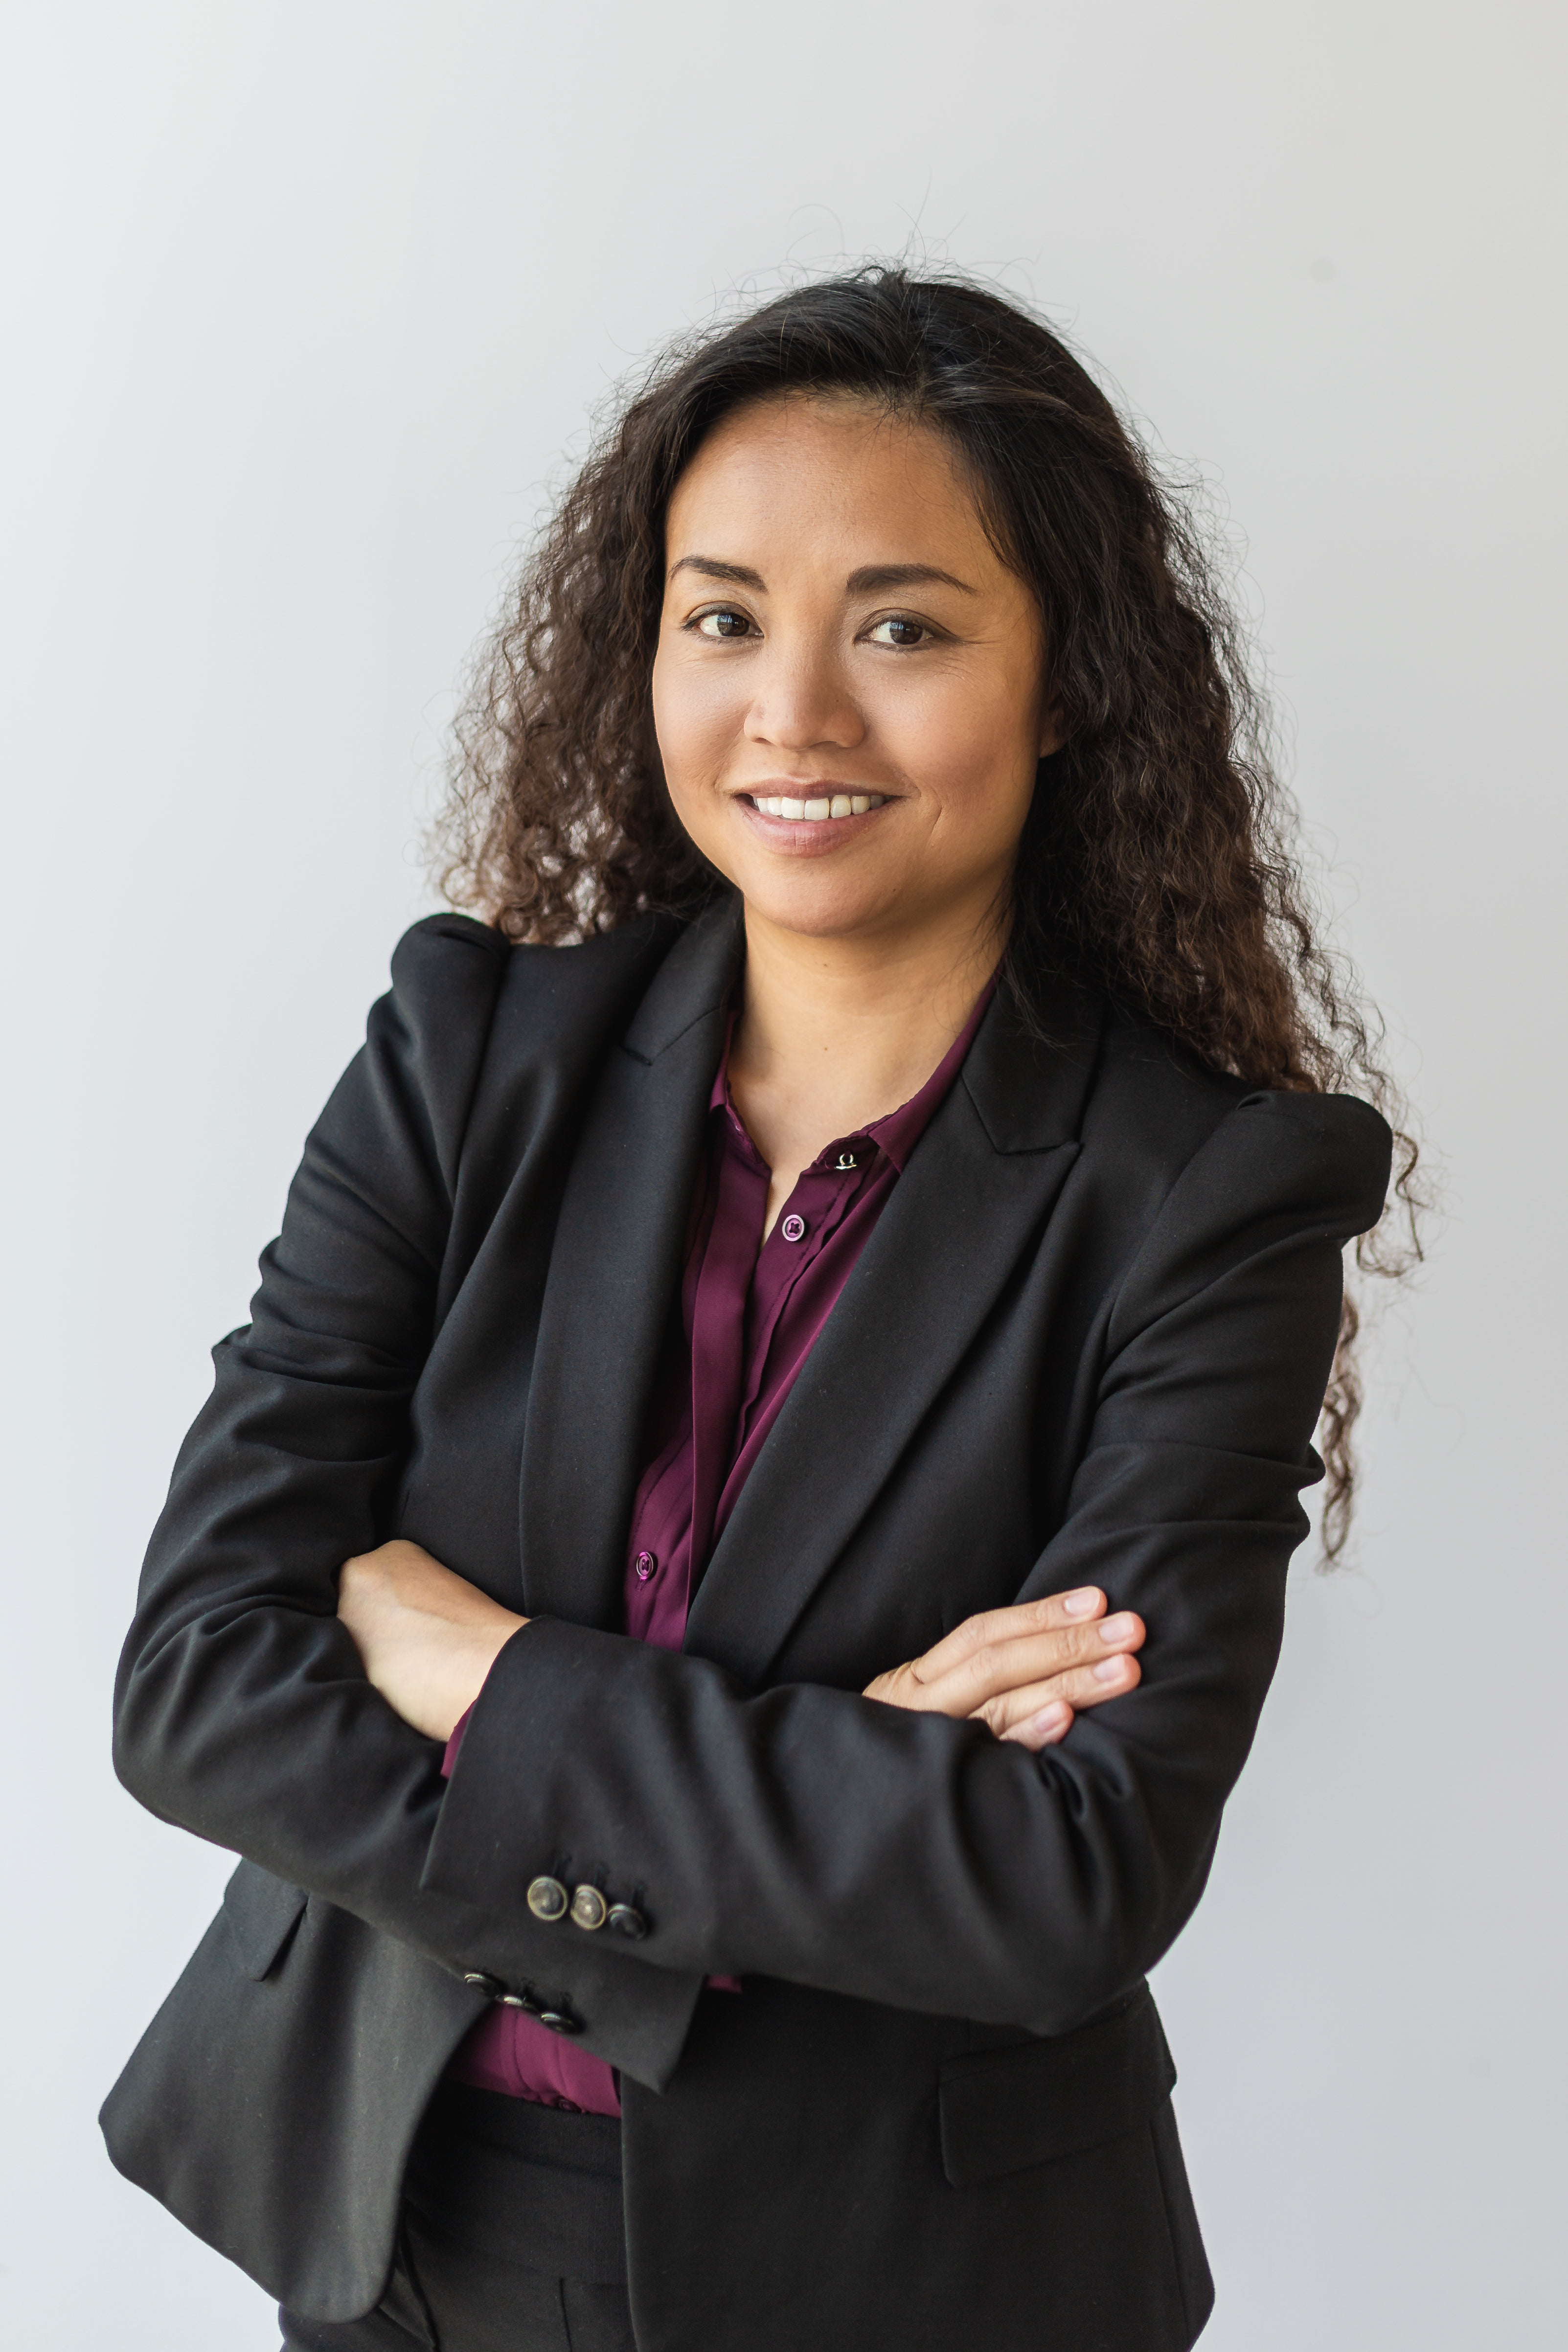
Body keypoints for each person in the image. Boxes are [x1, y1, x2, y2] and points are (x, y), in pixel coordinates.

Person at [101, 267, 1411, 2352]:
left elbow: (1063, 1872)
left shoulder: (1209, 1192)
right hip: (406, 2226)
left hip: (915, 2274)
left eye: (901, 624)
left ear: (1064, 678)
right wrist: (829, 1777)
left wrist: (482, 1664)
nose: (792, 709)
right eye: (722, 616)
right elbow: (193, 1678)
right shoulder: (470, 1055)